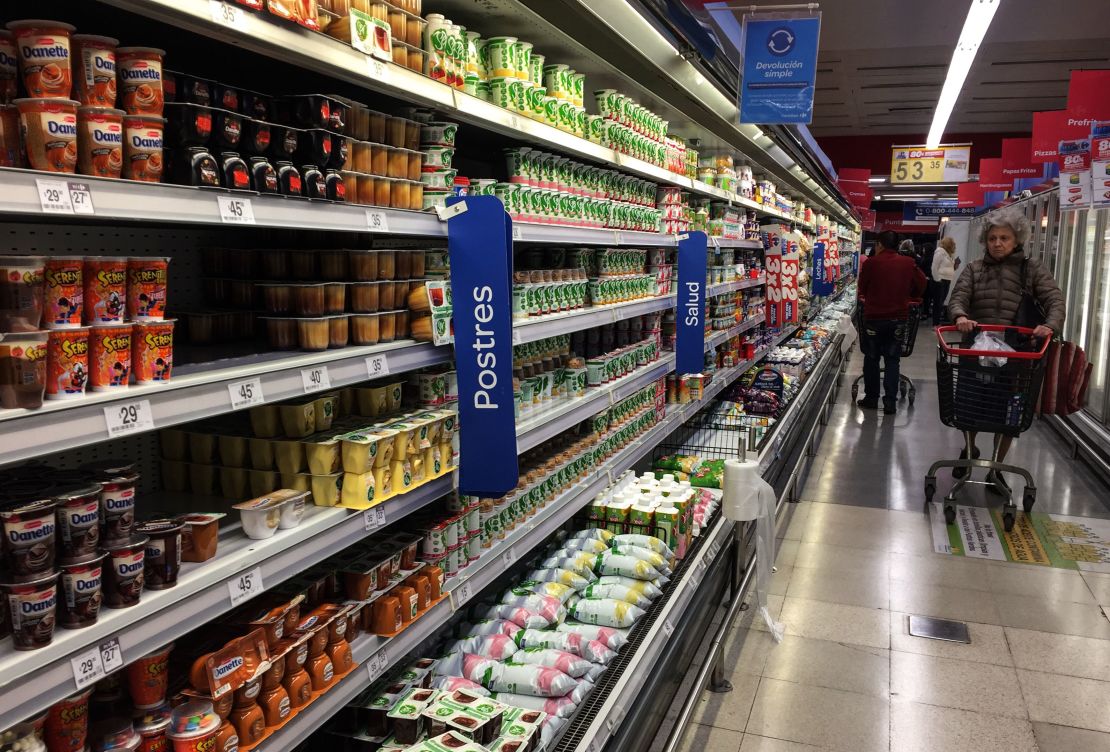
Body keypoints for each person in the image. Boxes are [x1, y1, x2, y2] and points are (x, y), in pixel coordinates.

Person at [946, 206, 1065, 491]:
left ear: (1017, 241)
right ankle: (970, 447)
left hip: (1017, 353)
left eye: (1004, 238)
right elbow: (958, 297)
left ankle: (996, 466)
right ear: (985, 240)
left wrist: (1050, 325)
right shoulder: (974, 269)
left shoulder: (1032, 270)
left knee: (1010, 413)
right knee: (969, 405)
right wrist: (961, 316)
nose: (997, 244)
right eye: (992, 238)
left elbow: (1055, 300)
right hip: (976, 349)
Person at [856, 230, 927, 414]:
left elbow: (862, 287)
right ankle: (890, 403)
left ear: (879, 244)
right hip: (898, 319)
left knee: (871, 359)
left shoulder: (872, 263)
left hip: (874, 319)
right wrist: (910, 296)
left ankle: (872, 398)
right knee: (892, 360)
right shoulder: (909, 263)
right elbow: (921, 284)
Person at [930, 236, 960, 325]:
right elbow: (934, 267)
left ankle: (937, 322)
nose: (954, 245)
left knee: (941, 302)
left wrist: (955, 266)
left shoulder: (949, 254)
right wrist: (937, 280)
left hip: (947, 279)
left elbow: (949, 268)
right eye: (952, 243)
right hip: (940, 280)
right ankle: (935, 324)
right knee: (938, 303)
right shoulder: (940, 252)